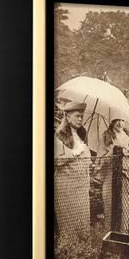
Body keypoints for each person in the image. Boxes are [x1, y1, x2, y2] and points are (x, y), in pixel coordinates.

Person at [95, 108, 129, 233]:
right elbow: (100, 160)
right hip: (111, 178)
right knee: (111, 209)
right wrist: (113, 151)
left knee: (126, 210)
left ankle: (123, 238)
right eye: (118, 120)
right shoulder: (106, 137)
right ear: (112, 121)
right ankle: (109, 239)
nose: (120, 124)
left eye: (123, 120)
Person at [54, 101, 91, 240]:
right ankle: (70, 252)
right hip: (67, 186)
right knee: (69, 222)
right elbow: (57, 160)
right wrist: (75, 152)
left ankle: (82, 252)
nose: (80, 119)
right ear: (67, 117)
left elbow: (85, 155)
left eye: (81, 116)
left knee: (82, 221)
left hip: (82, 186)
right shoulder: (59, 135)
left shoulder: (81, 134)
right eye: (77, 116)